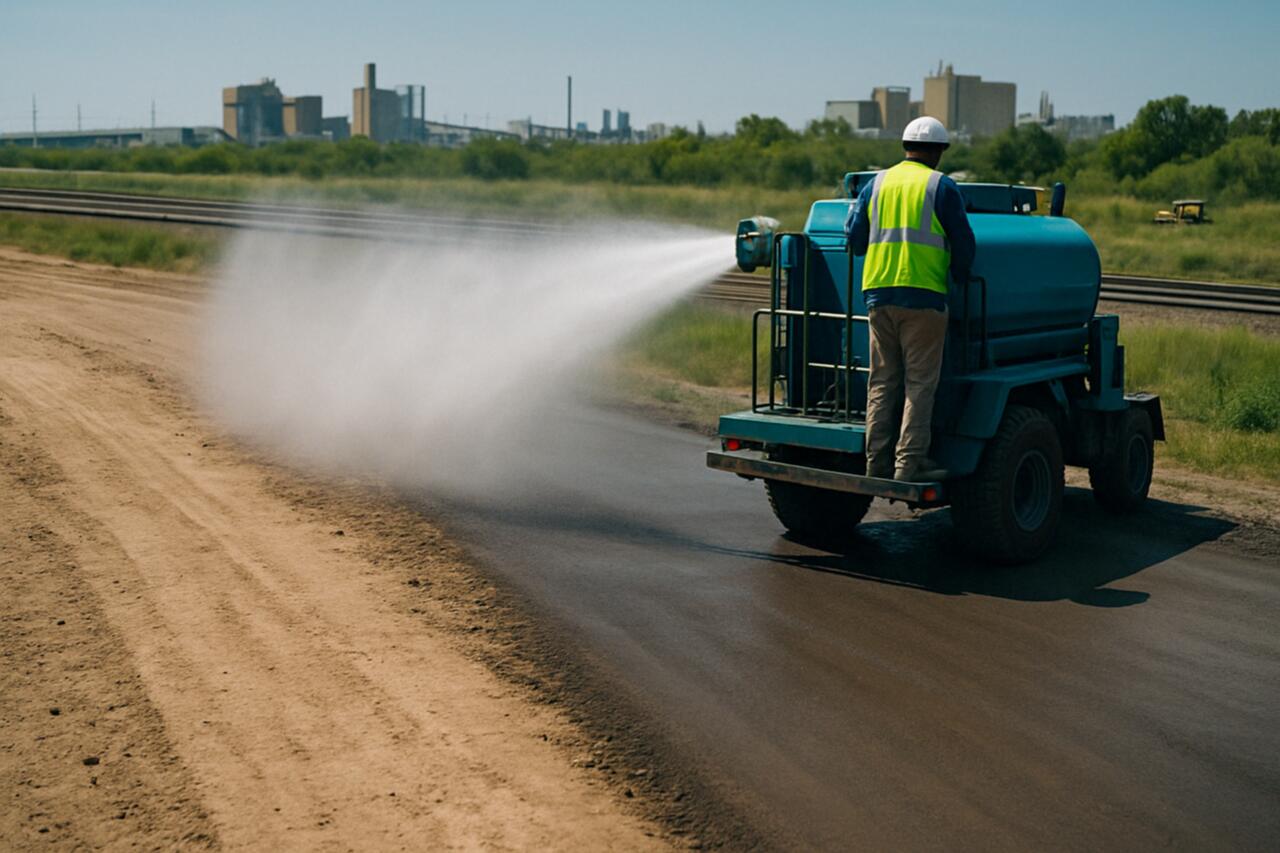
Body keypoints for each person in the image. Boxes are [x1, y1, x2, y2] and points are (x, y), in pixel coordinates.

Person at [845, 116, 975, 482]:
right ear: (938, 151)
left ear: (905, 147)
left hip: (878, 295)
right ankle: (908, 465)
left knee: (882, 381)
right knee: (919, 384)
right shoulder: (941, 187)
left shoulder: (876, 184)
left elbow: (854, 242)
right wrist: (960, 274)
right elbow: (964, 244)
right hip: (923, 297)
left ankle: (875, 463)